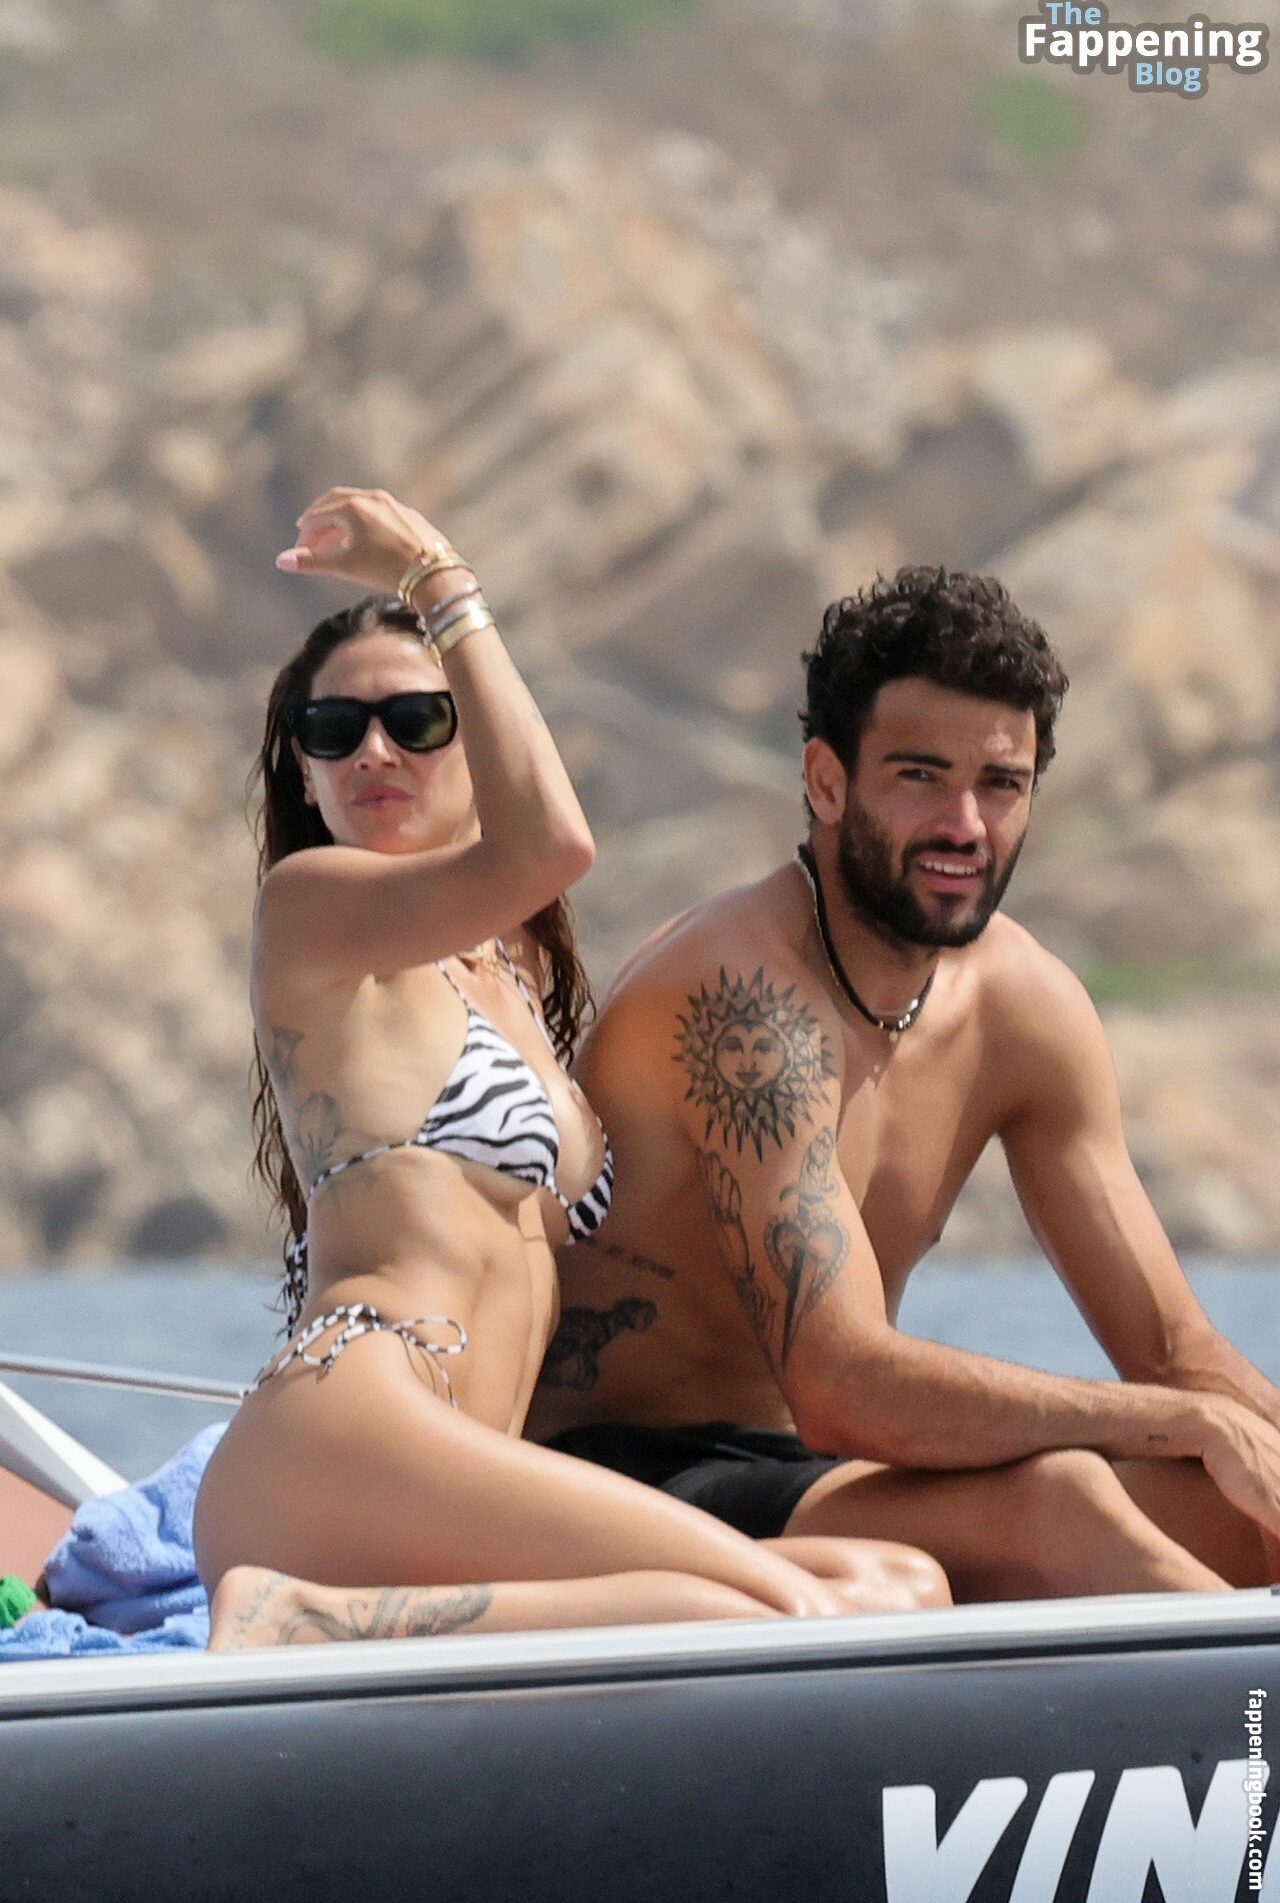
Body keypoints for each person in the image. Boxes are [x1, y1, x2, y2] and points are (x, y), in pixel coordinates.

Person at [195, 488, 949, 1651]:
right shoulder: (311, 911)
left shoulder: (511, 978)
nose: (374, 751)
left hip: (461, 1468)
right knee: (767, 1613)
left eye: (416, 720)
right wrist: (438, 579)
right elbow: (551, 843)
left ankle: (332, 1620)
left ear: (475, 742)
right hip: (356, 1421)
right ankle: (295, 1617)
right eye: (333, 729)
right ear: (301, 767)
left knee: (894, 1582)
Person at [528, 565, 1280, 1602]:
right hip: (621, 1477)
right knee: (1064, 1499)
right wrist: (1178, 1421)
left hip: (819, 1474)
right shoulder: (745, 1001)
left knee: (1233, 1509)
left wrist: (1227, 1430)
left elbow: (1171, 1349)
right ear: (826, 782)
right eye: (920, 776)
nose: (964, 824)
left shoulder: (1023, 1008)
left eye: (1001, 784)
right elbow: (841, 1385)